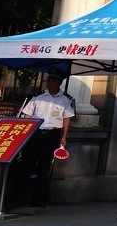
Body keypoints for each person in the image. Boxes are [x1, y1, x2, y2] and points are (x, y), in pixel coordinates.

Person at [18, 73, 75, 208]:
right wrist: (24, 133)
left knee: (44, 168)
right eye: (49, 80)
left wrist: (64, 137)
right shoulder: (38, 97)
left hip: (52, 134)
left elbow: (66, 118)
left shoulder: (65, 99)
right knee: (27, 165)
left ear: (59, 83)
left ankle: (38, 199)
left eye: (54, 81)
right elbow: (27, 115)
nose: (50, 83)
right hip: (35, 133)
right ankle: (20, 199)